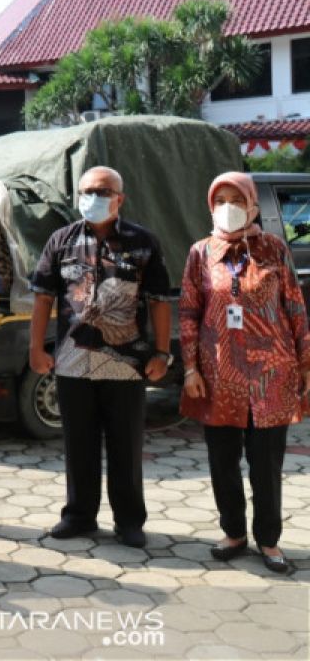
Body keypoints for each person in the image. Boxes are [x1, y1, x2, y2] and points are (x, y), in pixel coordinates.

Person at [29, 166, 171, 548]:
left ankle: (128, 522)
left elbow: (158, 301)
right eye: (88, 190)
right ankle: (79, 516)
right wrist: (36, 349)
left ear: (119, 198)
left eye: (103, 191)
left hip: (127, 363)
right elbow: (43, 298)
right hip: (73, 361)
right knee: (79, 443)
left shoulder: (143, 242)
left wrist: (163, 352)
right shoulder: (61, 240)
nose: (94, 197)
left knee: (125, 443)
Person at [179, 172, 309, 575]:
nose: (229, 206)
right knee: (223, 460)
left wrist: (306, 365)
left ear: (253, 204)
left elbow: (296, 309)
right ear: (211, 205)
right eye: (222, 199)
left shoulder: (273, 249)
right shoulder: (201, 252)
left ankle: (268, 540)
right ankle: (233, 533)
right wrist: (189, 370)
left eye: (238, 198)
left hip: (272, 376)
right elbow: (188, 312)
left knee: (267, 464)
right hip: (219, 376)